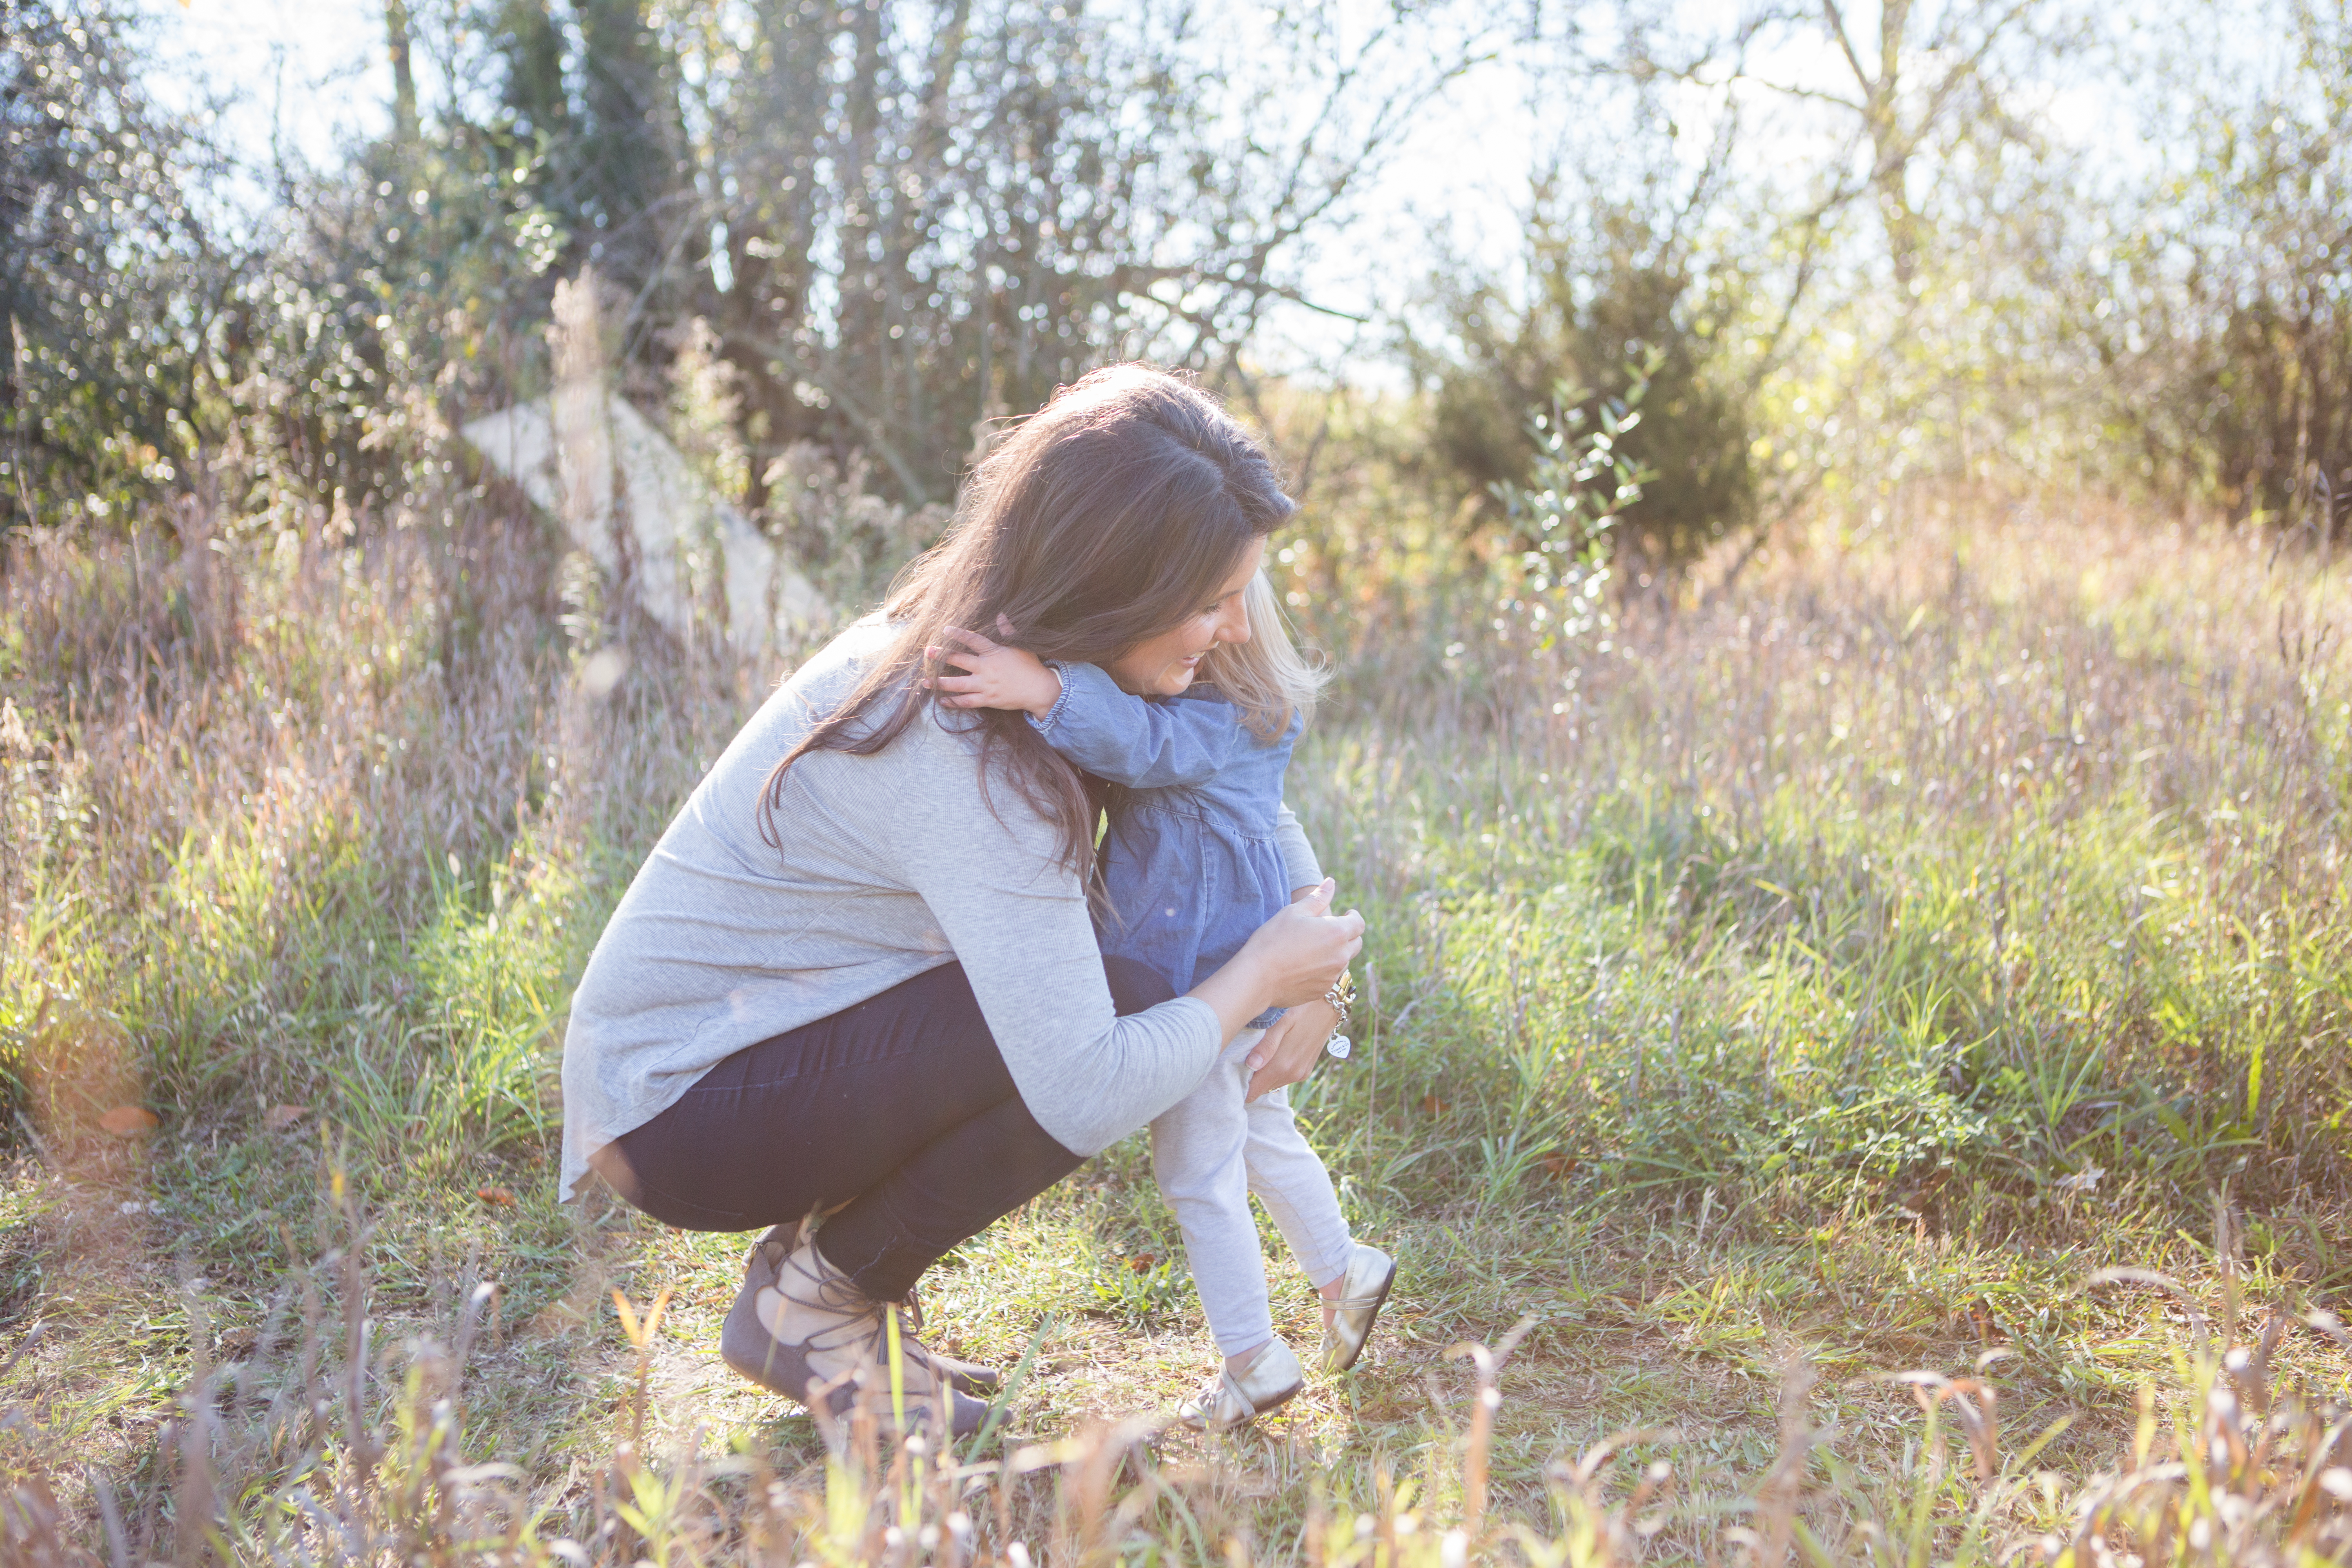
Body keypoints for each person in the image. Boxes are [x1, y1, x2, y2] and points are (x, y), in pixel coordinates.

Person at [557, 364, 1365, 1436]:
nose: (1231, 629)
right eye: (1211, 603)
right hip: (677, 1108)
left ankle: (844, 1294)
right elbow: (1085, 1088)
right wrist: (1260, 978)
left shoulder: (1054, 684)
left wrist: (1322, 977)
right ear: (1112, 585)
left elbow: (1238, 791)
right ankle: (815, 1307)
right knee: (1118, 1003)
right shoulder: (965, 741)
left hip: (779, 1043)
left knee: (1110, 986)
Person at [926, 573, 1395, 1433]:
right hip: (1239, 964)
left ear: (1241, 626)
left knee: (1198, 1175)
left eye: (1222, 605)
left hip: (1207, 975)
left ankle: (1253, 1359)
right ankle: (1342, 1272)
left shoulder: (1208, 725)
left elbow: (1140, 746)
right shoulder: (1246, 716)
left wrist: (1046, 687)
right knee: (1261, 1133)